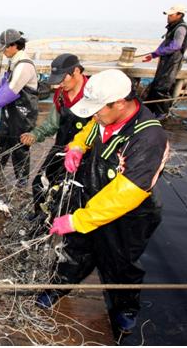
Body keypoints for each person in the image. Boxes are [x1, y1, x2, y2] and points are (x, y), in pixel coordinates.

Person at [37, 69, 169, 335]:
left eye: (97, 109)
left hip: (130, 215)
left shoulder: (149, 138)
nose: (94, 114)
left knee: (120, 262)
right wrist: (76, 146)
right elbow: (89, 129)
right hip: (92, 195)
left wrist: (78, 219)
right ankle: (57, 288)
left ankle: (124, 309)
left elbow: (125, 194)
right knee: (75, 249)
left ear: (119, 102)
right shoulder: (104, 116)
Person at [20, 54, 91, 220]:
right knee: (39, 183)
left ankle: (59, 222)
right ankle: (40, 217)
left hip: (84, 155)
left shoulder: (92, 94)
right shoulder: (60, 93)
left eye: (62, 78)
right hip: (60, 148)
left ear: (76, 71)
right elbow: (52, 123)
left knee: (69, 193)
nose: (60, 83)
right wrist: (35, 134)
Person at [0, 29, 38, 185]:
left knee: (19, 145)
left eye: (5, 48)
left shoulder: (24, 65)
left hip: (23, 112)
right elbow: (7, 81)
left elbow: (11, 91)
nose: (3, 51)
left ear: (14, 46)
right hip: (11, 110)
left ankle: (22, 180)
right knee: (2, 140)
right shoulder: (15, 60)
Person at [142, 4, 187, 117]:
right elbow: (165, 43)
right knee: (156, 85)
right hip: (166, 61)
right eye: (168, 14)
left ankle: (162, 115)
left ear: (179, 15)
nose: (168, 17)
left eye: (171, 15)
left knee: (162, 88)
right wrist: (153, 55)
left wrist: (157, 53)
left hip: (173, 62)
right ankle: (150, 112)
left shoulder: (181, 28)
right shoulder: (173, 26)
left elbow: (176, 46)